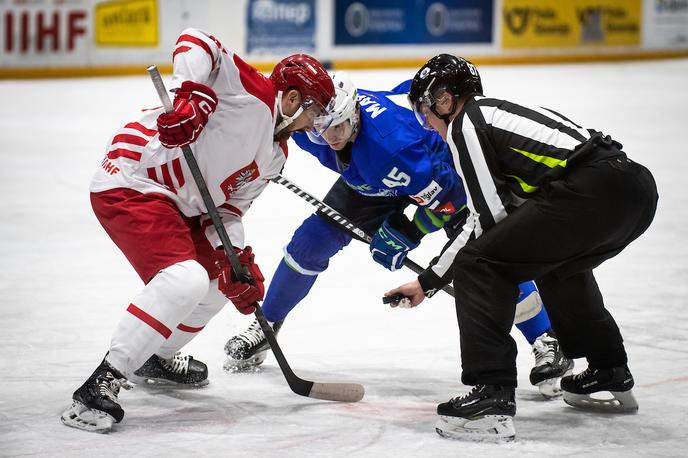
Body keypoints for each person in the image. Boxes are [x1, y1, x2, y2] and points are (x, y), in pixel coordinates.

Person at [223, 71, 573, 397]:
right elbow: (264, 119)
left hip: (439, 175)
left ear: (354, 113)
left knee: (484, 251)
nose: (330, 138)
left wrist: (408, 230)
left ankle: (545, 337)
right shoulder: (311, 126)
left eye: (338, 127)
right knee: (310, 243)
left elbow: (450, 199)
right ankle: (266, 325)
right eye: (321, 130)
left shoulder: (398, 148)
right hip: (369, 179)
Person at [60, 28, 335, 433]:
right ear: (292, 98)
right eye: (315, 111)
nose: (315, 124)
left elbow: (226, 211)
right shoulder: (253, 95)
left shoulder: (275, 157)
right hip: (134, 179)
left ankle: (153, 355)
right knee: (184, 280)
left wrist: (235, 258)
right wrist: (194, 96)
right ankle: (100, 385)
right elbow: (196, 41)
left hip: (179, 203)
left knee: (221, 283)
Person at [387, 54, 658, 441]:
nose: (426, 124)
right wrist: (428, 281)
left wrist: (435, 277)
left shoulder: (467, 124)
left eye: (425, 112)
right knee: (556, 263)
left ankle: (492, 394)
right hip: (633, 190)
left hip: (590, 191)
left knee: (478, 265)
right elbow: (506, 220)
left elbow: (486, 222)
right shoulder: (496, 116)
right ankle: (608, 368)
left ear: (444, 100)